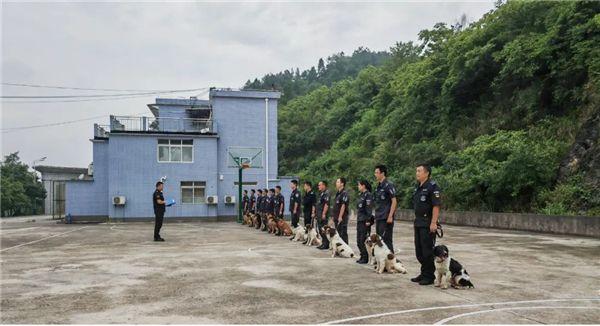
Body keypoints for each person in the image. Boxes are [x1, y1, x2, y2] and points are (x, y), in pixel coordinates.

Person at [411, 163, 442, 286]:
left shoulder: (432, 187)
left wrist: (433, 222)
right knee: (419, 251)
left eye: (419, 171)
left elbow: (436, 205)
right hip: (418, 222)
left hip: (428, 223)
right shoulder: (418, 187)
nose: (417, 173)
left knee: (427, 251)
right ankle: (424, 273)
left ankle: (429, 276)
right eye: (416, 171)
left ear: (427, 173)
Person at [374, 164, 397, 253]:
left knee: (387, 240)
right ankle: (383, 262)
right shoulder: (379, 186)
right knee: (379, 240)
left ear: (382, 173)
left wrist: (390, 216)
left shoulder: (389, 185)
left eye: (377, 172)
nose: (375, 174)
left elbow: (394, 201)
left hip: (386, 217)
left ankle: (391, 261)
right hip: (379, 216)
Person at [356, 180, 374, 264]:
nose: (358, 186)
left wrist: (368, 220)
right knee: (358, 240)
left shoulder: (368, 195)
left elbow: (369, 209)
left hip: (364, 221)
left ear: (364, 186)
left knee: (363, 239)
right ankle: (362, 256)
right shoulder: (361, 195)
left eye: (359, 185)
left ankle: (365, 257)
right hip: (360, 220)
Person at [333, 177, 350, 244]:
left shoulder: (344, 193)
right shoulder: (338, 193)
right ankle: (340, 249)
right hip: (336, 217)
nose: (336, 183)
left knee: (343, 234)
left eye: (338, 182)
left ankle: (346, 249)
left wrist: (340, 216)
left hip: (342, 218)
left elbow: (343, 205)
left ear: (342, 184)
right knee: (338, 234)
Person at [316, 180, 331, 250]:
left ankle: (326, 244)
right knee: (320, 229)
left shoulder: (326, 193)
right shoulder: (321, 193)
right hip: (319, 214)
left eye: (319, 185)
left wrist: (324, 213)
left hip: (323, 215)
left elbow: (326, 204)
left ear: (323, 185)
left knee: (323, 229)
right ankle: (323, 243)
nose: (318, 186)